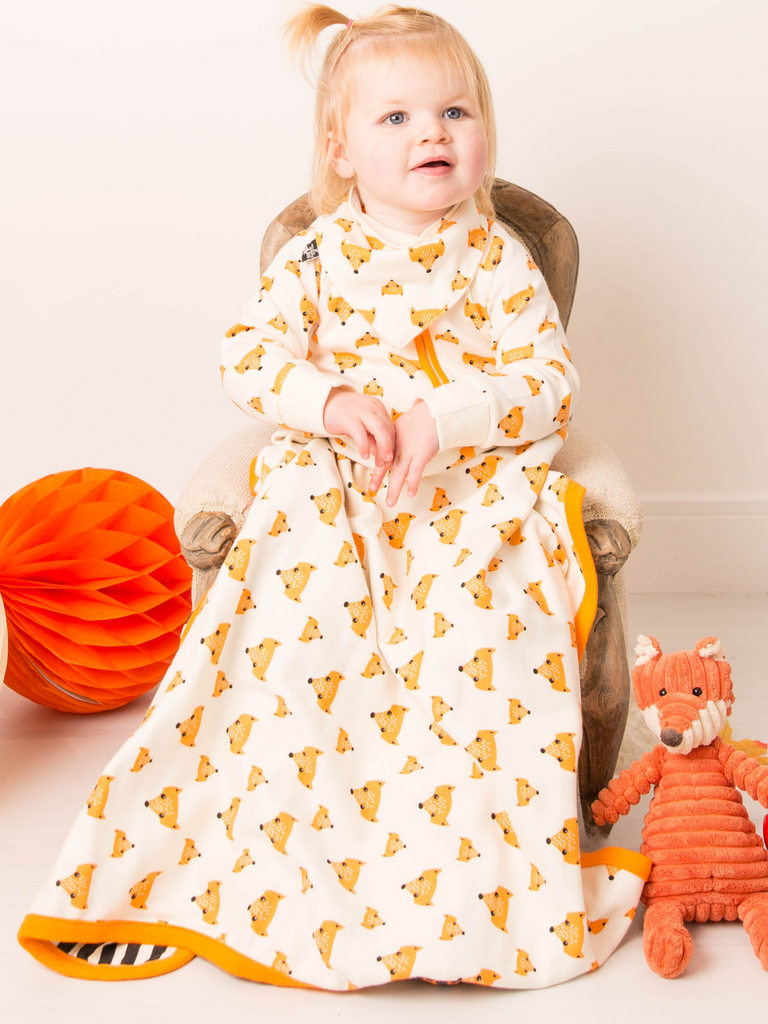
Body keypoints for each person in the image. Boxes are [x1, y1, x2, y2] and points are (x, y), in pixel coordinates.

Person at [18, 3, 651, 991]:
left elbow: (550, 384)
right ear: (341, 150)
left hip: (468, 496)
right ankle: (287, 842)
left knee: (475, 636)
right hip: (338, 489)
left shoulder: (498, 258)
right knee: (296, 616)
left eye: (455, 111)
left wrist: (450, 415)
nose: (432, 132)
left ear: (483, 131)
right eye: (396, 117)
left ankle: (460, 884)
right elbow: (246, 355)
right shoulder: (318, 256)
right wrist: (330, 399)